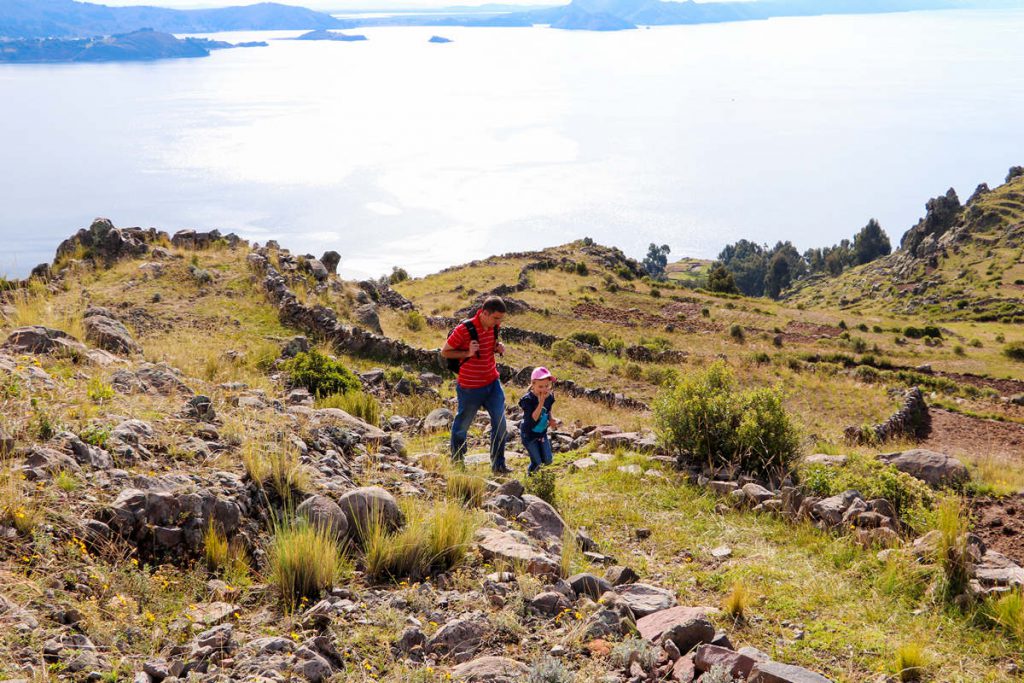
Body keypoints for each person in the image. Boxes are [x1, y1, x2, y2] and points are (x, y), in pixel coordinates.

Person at [441, 296, 510, 474]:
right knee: (462, 425)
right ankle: (457, 460)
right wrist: (467, 352)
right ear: (484, 313)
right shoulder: (464, 329)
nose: (498, 322)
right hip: (470, 387)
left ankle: (498, 465)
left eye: (501, 319)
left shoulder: (494, 326)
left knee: (501, 424)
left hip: (492, 383)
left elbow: (489, 346)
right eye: (496, 318)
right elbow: (445, 351)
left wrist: (497, 347)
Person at [518, 366, 560, 475]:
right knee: (537, 462)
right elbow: (534, 418)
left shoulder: (549, 397)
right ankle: (531, 479)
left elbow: (548, 410)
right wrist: (541, 402)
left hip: (542, 434)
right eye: (540, 386)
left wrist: (551, 419)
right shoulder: (528, 400)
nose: (544, 389)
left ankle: (539, 476)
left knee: (548, 460)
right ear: (533, 384)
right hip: (529, 435)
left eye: (547, 386)